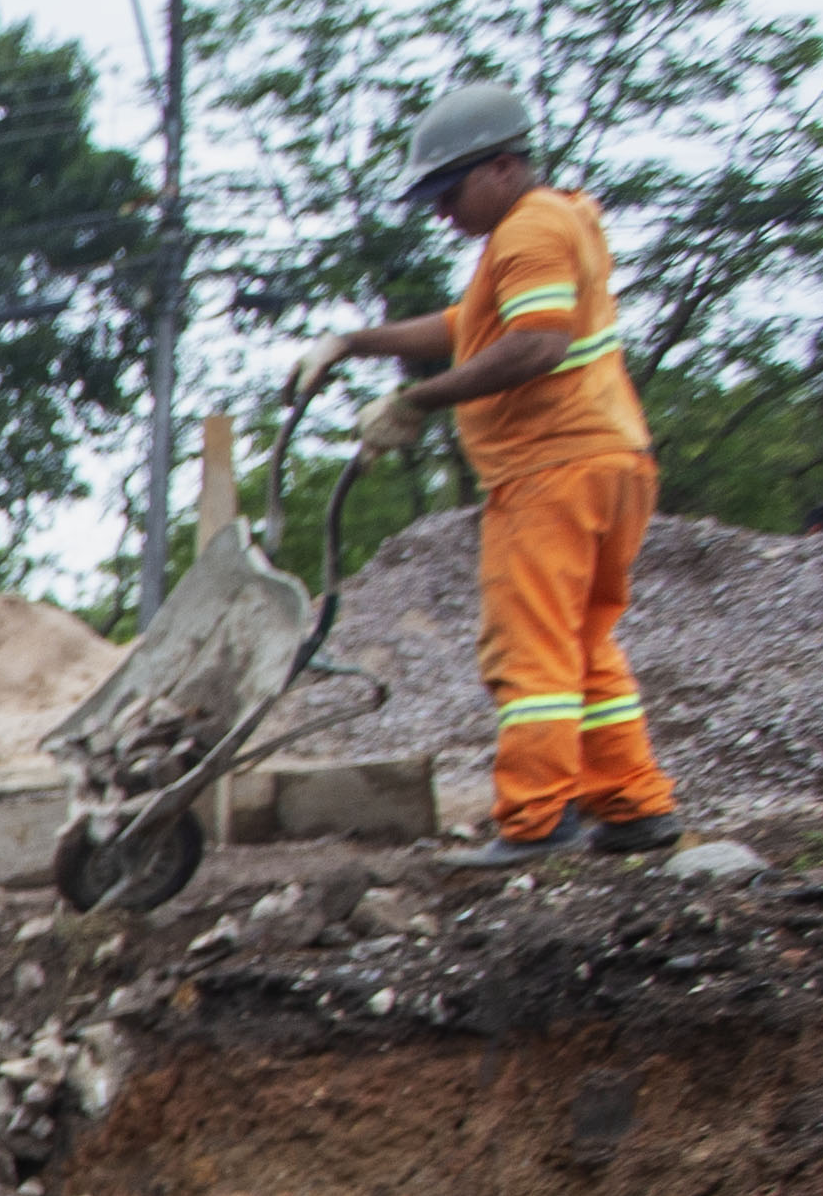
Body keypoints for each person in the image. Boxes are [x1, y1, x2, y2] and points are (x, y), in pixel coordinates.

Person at [290, 81, 681, 863]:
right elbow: (464, 327)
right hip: (609, 458)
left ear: (503, 166)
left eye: (449, 189)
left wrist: (416, 402)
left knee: (529, 652)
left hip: (552, 470)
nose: (441, 211)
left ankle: (536, 822)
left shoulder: (530, 231)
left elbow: (538, 343)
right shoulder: (550, 222)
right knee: (582, 645)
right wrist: (351, 343)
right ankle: (633, 804)